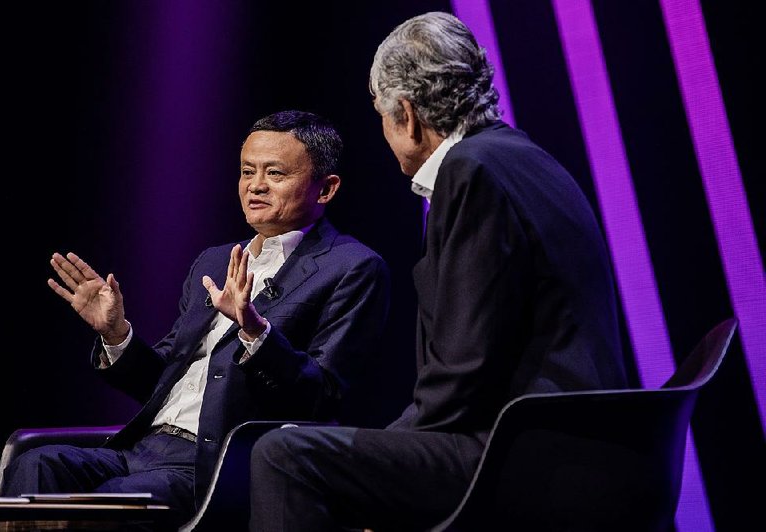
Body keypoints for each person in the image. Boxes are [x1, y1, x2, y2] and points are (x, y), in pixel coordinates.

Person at [248, 12, 629, 531]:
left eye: (380, 114)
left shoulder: (470, 172)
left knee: (285, 454)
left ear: (405, 114)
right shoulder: (522, 156)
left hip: (526, 457)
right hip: (575, 449)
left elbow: (462, 367)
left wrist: (380, 448)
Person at [0, 110, 391, 528]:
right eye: (247, 171)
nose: (255, 186)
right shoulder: (216, 259)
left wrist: (255, 332)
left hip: (217, 464)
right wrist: (116, 334)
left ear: (326, 189)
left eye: (274, 173)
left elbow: (322, 395)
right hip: (144, 448)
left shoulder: (352, 268)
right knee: (36, 465)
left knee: (107, 505)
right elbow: (161, 378)